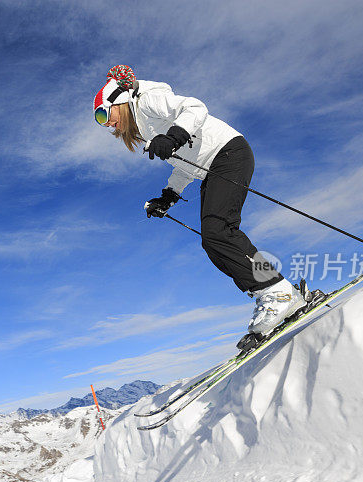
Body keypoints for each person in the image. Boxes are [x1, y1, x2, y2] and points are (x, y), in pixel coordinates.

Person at [93, 65, 305, 337]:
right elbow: (185, 166)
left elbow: (195, 107)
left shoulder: (147, 100)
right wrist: (168, 195)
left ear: (117, 101)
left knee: (220, 231)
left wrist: (173, 137)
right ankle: (275, 290)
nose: (106, 123)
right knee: (212, 240)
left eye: (103, 114)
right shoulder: (145, 128)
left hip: (228, 153)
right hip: (212, 168)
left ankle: (279, 293)